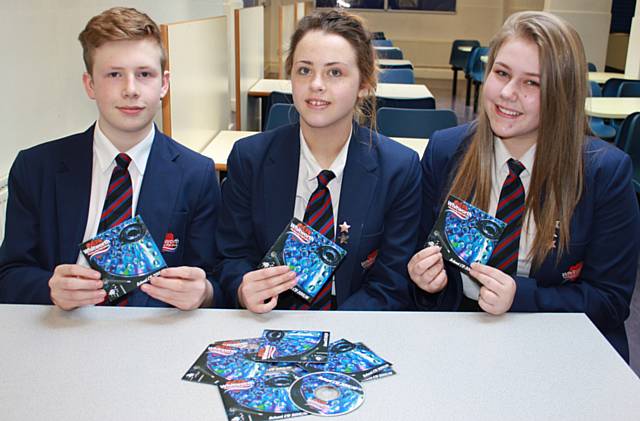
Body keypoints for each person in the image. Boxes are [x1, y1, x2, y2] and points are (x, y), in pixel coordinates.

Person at [408, 11, 639, 361]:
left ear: (563, 94)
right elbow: (418, 268)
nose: (507, 93)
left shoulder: (604, 172)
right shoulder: (445, 150)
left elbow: (610, 301)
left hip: (556, 349)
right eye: (501, 74)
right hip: (457, 341)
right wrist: (425, 283)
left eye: (533, 83)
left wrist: (521, 297)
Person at [0, 7, 222, 310]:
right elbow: (9, 274)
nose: (130, 90)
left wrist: (205, 292)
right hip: (62, 328)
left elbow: (213, 278)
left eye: (144, 74)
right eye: (114, 74)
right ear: (90, 84)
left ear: (164, 84)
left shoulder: (196, 174)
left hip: (152, 335)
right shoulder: (36, 168)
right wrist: (49, 288)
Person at [217, 9, 420, 313]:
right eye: (304, 70)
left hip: (355, 323)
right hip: (268, 320)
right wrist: (243, 288)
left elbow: (391, 283)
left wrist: (333, 340)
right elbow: (230, 257)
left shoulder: (399, 169)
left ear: (364, 84)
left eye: (335, 72)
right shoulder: (250, 159)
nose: (316, 84)